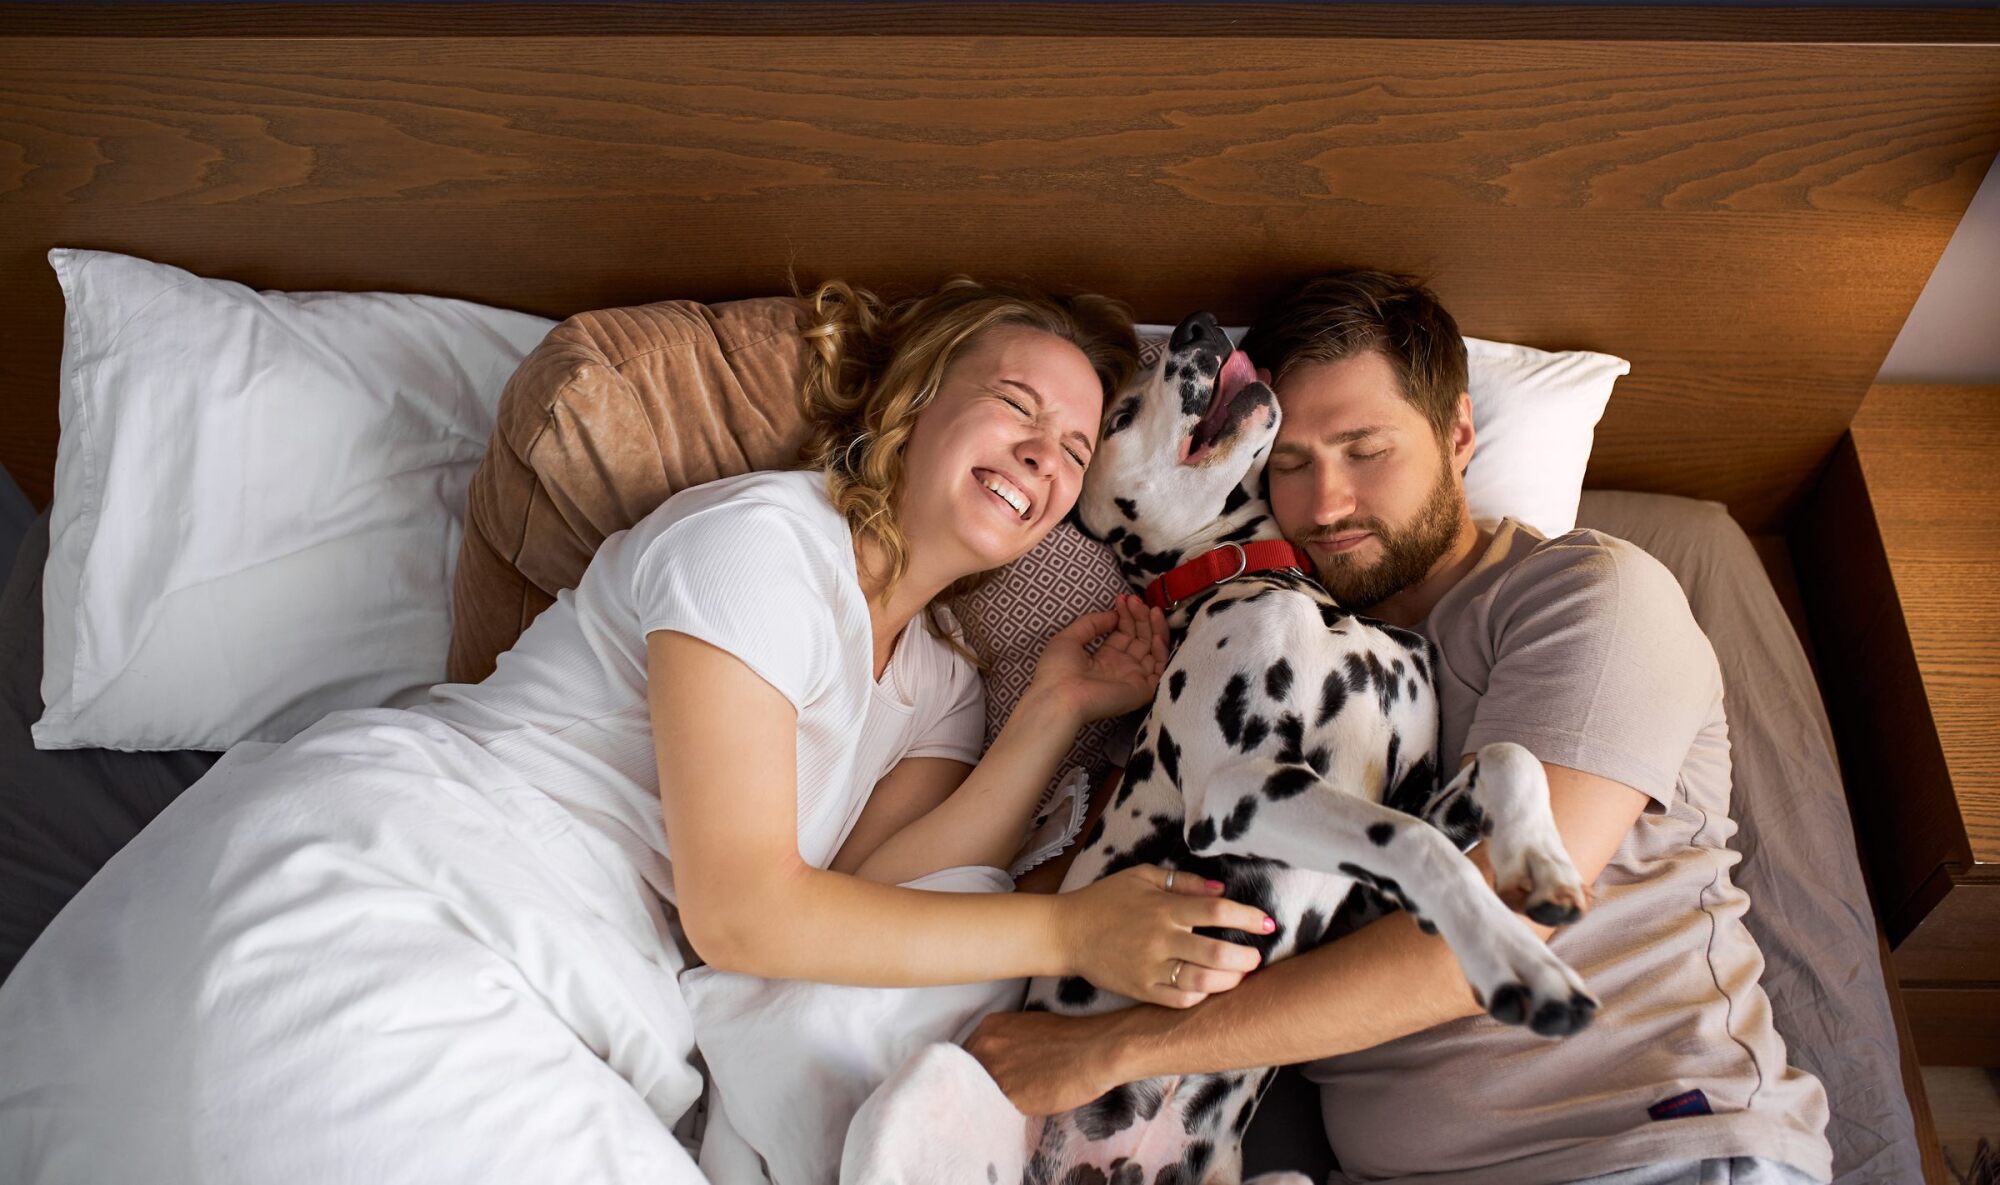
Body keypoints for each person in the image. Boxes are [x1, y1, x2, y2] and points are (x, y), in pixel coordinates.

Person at [0, 274, 1271, 1185]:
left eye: (1068, 446)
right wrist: (1069, 927)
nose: (1042, 457)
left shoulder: (938, 679)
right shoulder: (765, 542)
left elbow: (866, 902)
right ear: (914, 402)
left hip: (586, 986)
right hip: (432, 880)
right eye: (1011, 406)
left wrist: (1046, 709)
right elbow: (740, 911)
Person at [962, 270, 1836, 1185]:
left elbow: (1487, 934)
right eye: (1291, 464)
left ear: (1460, 433)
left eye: (1365, 448)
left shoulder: (1586, 593)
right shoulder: (1279, 650)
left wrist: (1110, 1051)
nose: (1327, 503)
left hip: (1634, 1143)